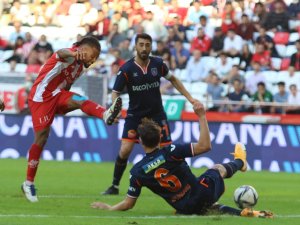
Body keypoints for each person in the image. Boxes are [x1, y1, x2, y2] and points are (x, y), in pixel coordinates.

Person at [92, 102, 273, 218]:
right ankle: (241, 162)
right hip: (201, 195)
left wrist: (109, 208)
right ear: (160, 137)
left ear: (139, 141)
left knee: (206, 205)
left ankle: (243, 213)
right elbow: (205, 146)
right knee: (216, 169)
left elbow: (128, 204)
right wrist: (202, 116)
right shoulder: (172, 150)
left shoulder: (137, 172)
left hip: (184, 208)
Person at [21, 36, 122, 203]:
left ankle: (105, 114)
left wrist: (62, 105)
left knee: (79, 99)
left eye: (96, 57)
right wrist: (75, 54)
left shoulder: (80, 68)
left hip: (58, 96)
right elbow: (61, 52)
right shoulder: (70, 54)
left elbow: (66, 86)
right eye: (93, 54)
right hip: (41, 97)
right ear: (83, 49)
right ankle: (28, 183)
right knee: (41, 138)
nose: (94, 59)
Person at [102, 33, 197, 195]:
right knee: (125, 150)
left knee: (169, 152)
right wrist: (114, 109)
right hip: (135, 116)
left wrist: (190, 98)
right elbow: (115, 92)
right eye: (141, 45)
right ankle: (115, 185)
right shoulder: (126, 69)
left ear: (151, 47)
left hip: (157, 115)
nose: (144, 48)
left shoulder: (158, 64)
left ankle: (186, 185)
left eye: (147, 45)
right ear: (135, 46)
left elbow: (173, 79)